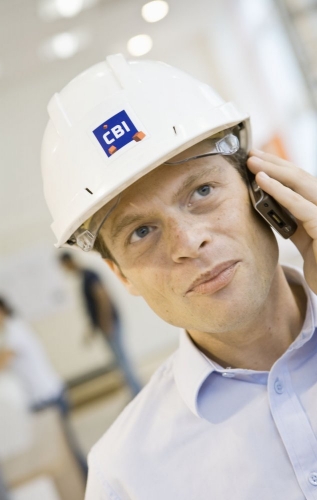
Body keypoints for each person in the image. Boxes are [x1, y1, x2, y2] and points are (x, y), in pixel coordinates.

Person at [41, 54, 317, 499]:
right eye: (141, 231)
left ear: (261, 190)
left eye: (201, 191)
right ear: (122, 276)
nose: (187, 242)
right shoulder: (124, 477)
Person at [0, 295, 88, 478]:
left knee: (69, 452)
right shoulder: (4, 332)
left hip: (48, 397)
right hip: (40, 399)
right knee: (64, 452)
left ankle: (87, 485)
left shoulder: (14, 329)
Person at [59, 252, 142, 397]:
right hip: (105, 325)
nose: (65, 270)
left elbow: (103, 298)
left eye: (64, 266)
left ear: (69, 262)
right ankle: (134, 391)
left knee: (123, 360)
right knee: (119, 361)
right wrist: (92, 329)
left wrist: (106, 324)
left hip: (110, 324)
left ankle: (137, 392)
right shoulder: (84, 278)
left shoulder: (90, 275)